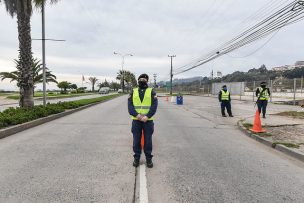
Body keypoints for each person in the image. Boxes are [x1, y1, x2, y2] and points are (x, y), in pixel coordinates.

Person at [128, 74, 158, 168]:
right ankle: (136, 158)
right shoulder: (133, 91)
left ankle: (148, 159)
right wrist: (137, 115)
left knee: (148, 141)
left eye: (144, 79)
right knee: (136, 140)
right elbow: (130, 106)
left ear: (147, 81)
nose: (142, 80)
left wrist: (147, 116)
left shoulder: (151, 91)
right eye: (140, 79)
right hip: (136, 120)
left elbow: (154, 105)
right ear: (138, 81)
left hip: (148, 121)